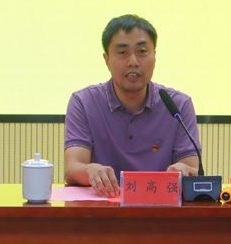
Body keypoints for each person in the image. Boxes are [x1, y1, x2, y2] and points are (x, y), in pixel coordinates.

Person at [64, 14, 201, 197]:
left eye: (142, 51)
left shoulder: (178, 105)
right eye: (123, 53)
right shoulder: (84, 102)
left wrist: (184, 170)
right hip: (103, 209)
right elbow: (72, 168)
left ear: (154, 56)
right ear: (106, 59)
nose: (133, 62)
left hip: (162, 210)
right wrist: (89, 171)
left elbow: (191, 168)